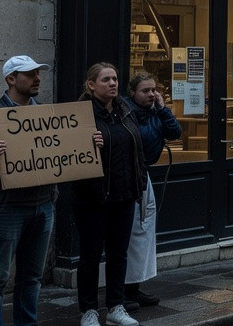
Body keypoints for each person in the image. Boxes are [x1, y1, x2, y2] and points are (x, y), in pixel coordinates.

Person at [0, 55, 57, 326]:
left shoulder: (46, 115)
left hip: (43, 205)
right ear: (11, 79)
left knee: (32, 278)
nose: (38, 78)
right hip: (8, 207)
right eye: (30, 74)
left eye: (39, 73)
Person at [74, 62, 148, 326]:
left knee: (118, 253)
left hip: (124, 195)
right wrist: (86, 142)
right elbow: (70, 154)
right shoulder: (80, 115)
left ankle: (116, 307)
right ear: (91, 85)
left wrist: (137, 187)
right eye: (106, 80)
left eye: (115, 79)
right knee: (91, 256)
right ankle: (89, 310)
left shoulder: (125, 110)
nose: (113, 83)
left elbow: (136, 148)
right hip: (94, 197)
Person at [124, 72, 181, 311]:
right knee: (130, 235)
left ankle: (134, 287)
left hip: (144, 175)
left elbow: (175, 132)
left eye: (153, 90)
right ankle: (123, 290)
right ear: (133, 94)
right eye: (145, 91)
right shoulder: (127, 114)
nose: (151, 94)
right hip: (129, 177)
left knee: (143, 234)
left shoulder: (155, 112)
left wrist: (163, 108)